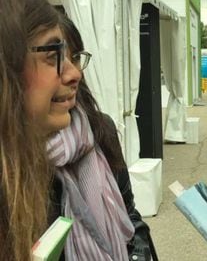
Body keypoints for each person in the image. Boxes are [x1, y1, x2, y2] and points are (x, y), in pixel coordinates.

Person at [57, 15, 158, 260]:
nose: (74, 74)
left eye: (75, 58)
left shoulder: (99, 128)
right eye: (54, 59)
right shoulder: (15, 156)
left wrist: (139, 254)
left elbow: (129, 214)